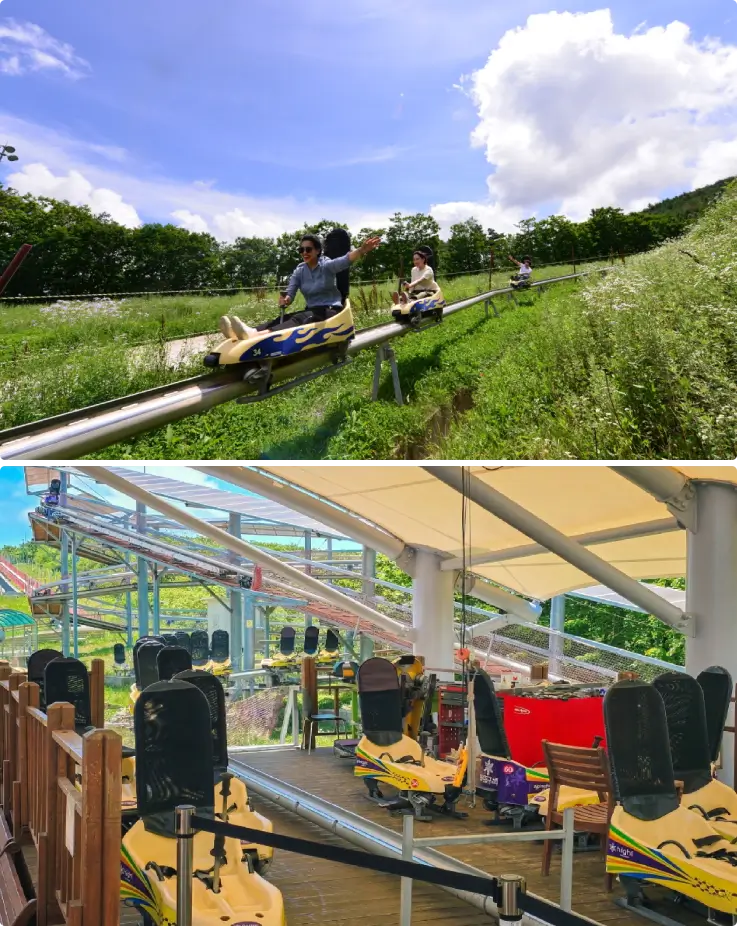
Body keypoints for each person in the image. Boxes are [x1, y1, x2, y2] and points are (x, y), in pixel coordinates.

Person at [224, 232, 382, 339]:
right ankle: (250, 331)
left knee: (301, 317)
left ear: (318, 250)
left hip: (330, 310)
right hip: (312, 311)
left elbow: (344, 260)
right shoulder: (300, 271)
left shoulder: (326, 265)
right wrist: (286, 299)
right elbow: (290, 292)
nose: (304, 252)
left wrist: (362, 250)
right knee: (287, 317)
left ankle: (255, 336)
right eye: (301, 250)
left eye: (308, 249)